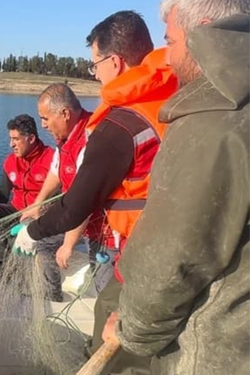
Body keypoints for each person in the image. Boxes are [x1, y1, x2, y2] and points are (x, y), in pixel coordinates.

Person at [12, 11, 178, 374]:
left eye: (96, 64)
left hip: (141, 250)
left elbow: (74, 208)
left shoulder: (119, 126)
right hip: (173, 238)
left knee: (108, 323)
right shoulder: (173, 102)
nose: (95, 73)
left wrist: (32, 231)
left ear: (115, 62)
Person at [101, 4, 249, 374]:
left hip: (217, 353)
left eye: (170, 41)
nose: (167, 56)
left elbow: (173, 258)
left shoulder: (211, 121)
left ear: (201, 32)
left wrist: (128, 327)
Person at [23, 83, 117, 293]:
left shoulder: (91, 140)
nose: (43, 125)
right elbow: (56, 170)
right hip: (78, 218)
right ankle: (51, 295)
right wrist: (37, 204)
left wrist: (68, 245)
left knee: (106, 292)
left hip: (105, 231)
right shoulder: (66, 138)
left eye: (45, 118)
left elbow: (85, 200)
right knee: (45, 243)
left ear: (65, 113)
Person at [0, 114, 64, 301]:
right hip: (17, 211)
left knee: (33, 228)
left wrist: (37, 214)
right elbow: (1, 193)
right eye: (10, 139)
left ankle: (41, 284)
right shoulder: (10, 161)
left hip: (42, 216)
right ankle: (9, 265)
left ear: (31, 138)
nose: (11, 144)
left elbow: (62, 198)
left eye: (16, 139)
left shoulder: (52, 160)